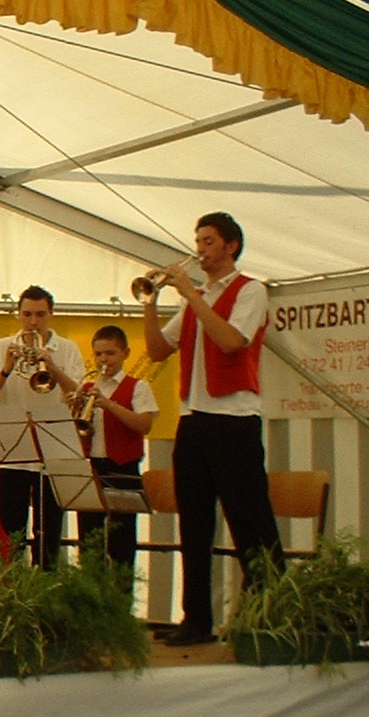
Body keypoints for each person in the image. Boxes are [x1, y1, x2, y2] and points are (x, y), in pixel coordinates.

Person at [142, 211, 283, 646]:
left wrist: (190, 294)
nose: (199, 249)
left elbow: (231, 341)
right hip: (194, 421)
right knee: (195, 524)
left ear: (231, 246)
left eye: (208, 241)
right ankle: (196, 619)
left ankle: (271, 613)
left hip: (234, 421)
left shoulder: (250, 291)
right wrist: (149, 302)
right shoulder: (194, 298)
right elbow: (156, 349)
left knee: (249, 523)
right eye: (198, 240)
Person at [0, 285, 85, 569]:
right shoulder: (1, 347)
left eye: (40, 314)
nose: (33, 322)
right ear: (18, 314)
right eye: (27, 314)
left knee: (48, 535)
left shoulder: (67, 349)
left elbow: (79, 397)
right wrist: (6, 368)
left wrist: (53, 368)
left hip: (52, 454)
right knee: (10, 533)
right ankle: (12, 590)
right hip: (11, 455)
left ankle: (46, 591)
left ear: (51, 314)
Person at [72, 325, 157, 586]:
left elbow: (144, 425)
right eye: (98, 354)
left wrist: (109, 405)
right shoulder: (87, 387)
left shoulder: (138, 387)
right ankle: (91, 601)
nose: (103, 360)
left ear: (125, 353)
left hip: (124, 468)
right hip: (94, 467)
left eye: (110, 353)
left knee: (121, 543)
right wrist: (74, 407)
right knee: (90, 540)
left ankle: (121, 604)